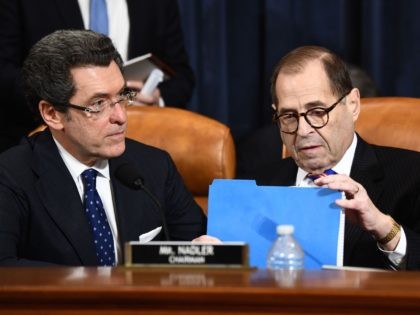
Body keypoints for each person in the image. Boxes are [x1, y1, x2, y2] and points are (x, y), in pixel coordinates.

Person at [0, 30, 206, 267]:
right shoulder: (11, 177)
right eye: (98, 104)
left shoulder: (154, 167)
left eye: (121, 96)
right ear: (52, 114)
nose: (120, 116)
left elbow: (198, 250)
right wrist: (100, 285)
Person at [264, 45, 420, 270]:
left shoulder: (411, 176)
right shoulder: (260, 184)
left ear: (353, 105)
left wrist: (384, 228)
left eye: (317, 112)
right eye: (289, 116)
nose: (302, 131)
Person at [0, 0, 194, 152]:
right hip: (47, 145)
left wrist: (156, 99)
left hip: (140, 143)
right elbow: (6, 73)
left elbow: (182, 76)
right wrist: (66, 100)